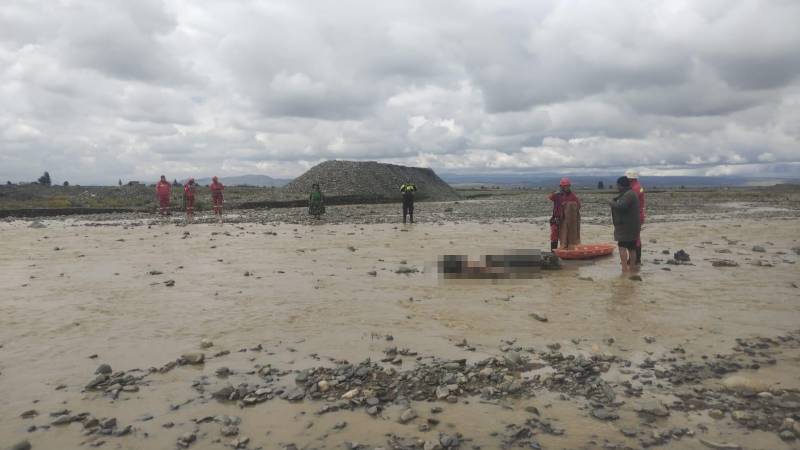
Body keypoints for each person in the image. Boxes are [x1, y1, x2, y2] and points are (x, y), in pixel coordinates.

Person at [608, 176, 641, 273]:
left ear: (621, 185)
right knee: (632, 248)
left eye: (617, 185)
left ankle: (624, 269)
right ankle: (632, 268)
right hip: (632, 226)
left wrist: (611, 202)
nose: (617, 187)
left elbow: (621, 206)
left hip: (626, 227)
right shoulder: (631, 193)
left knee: (622, 247)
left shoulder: (628, 195)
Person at [547, 178, 581, 250]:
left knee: (566, 236)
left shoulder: (573, 196)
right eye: (564, 186)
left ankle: (565, 249)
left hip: (566, 220)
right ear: (561, 186)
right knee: (554, 235)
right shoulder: (556, 195)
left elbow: (578, 206)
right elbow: (550, 197)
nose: (566, 187)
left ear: (569, 186)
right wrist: (555, 192)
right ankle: (553, 252)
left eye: (567, 186)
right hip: (556, 218)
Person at [625, 169, 646, 265]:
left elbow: (628, 203)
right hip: (638, 214)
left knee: (634, 237)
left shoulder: (634, 189)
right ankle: (636, 259)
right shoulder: (638, 187)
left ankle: (635, 260)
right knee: (636, 237)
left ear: (630, 178)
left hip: (635, 216)